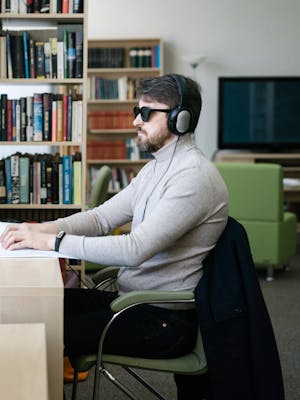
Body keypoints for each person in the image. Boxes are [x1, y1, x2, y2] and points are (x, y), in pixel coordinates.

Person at [0, 74, 229, 399]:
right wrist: (42, 229)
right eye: (138, 109)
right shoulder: (155, 169)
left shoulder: (193, 178)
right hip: (132, 301)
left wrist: (52, 243)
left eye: (147, 113)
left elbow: (135, 250)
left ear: (181, 119)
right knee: (33, 309)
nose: (136, 119)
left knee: (42, 330)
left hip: (164, 320)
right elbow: (102, 217)